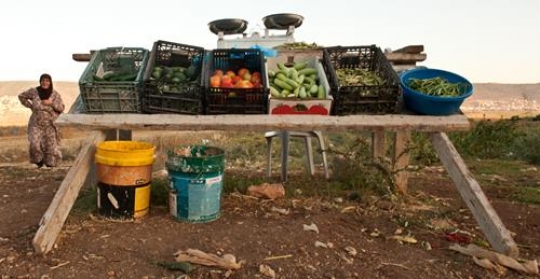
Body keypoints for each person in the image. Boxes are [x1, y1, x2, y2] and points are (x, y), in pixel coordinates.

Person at [18, 73, 65, 168]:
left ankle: (50, 164)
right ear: (40, 82)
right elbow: (21, 96)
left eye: (47, 81)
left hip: (50, 124)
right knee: (34, 143)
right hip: (35, 123)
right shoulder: (34, 91)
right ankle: (38, 162)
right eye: (43, 80)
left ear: (50, 82)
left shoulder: (55, 94)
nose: (45, 82)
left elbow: (61, 108)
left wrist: (51, 103)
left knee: (51, 147)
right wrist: (30, 106)